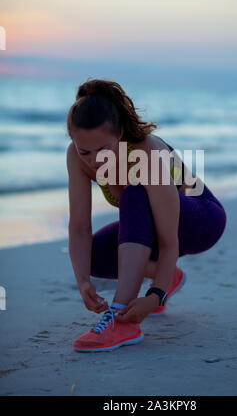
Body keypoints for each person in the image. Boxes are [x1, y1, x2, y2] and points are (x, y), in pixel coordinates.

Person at [66, 78, 227, 352]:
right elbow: (80, 228)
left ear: (119, 135)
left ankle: (121, 321)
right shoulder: (76, 157)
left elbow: (169, 241)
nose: (93, 160)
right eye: (84, 151)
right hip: (155, 222)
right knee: (90, 257)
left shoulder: (146, 150)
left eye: (103, 150)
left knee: (134, 193)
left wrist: (155, 295)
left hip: (200, 220)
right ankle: (169, 276)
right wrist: (82, 282)